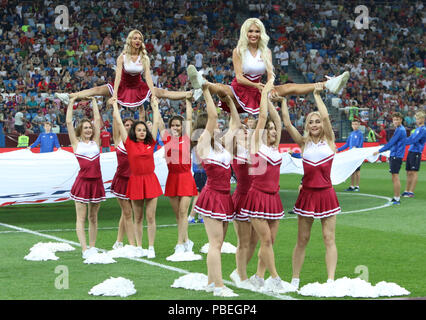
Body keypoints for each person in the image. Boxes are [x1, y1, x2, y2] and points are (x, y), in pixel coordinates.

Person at [187, 18, 349, 115]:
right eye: (250, 31)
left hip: (259, 89)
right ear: (245, 32)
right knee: (223, 89)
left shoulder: (267, 51)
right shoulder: (238, 51)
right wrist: (256, 85)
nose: (253, 34)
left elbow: (271, 75)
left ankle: (328, 84)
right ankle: (201, 83)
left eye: (257, 31)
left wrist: (268, 85)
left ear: (261, 33)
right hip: (241, 88)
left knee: (288, 87)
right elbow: (239, 77)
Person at [281, 83, 341, 289]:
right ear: (306, 125)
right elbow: (287, 124)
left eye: (317, 122)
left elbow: (325, 117)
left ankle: (331, 280)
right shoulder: (304, 143)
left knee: (328, 238)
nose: (315, 124)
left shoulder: (330, 141)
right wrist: (282, 102)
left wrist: (317, 95)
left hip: (326, 194)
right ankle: (294, 280)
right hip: (307, 195)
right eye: (310, 122)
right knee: (302, 239)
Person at [55, 30, 192, 107]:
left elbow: (148, 78)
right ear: (130, 40)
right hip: (122, 86)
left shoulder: (145, 58)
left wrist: (153, 94)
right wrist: (114, 95)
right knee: (96, 90)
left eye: (140, 38)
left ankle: (190, 94)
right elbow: (118, 76)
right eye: (135, 38)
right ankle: (69, 96)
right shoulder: (122, 56)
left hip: (138, 86)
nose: (138, 40)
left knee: (162, 92)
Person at [193, 85, 240, 297]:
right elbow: (213, 115)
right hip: (212, 196)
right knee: (215, 243)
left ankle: (212, 282)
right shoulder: (202, 143)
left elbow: (236, 124)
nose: (217, 125)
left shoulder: (220, 145)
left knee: (218, 244)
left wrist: (230, 104)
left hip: (224, 197)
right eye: (213, 125)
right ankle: (219, 287)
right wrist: (205, 89)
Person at [240, 79, 285, 293]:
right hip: (257, 197)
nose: (272, 131)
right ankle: (275, 278)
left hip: (274, 198)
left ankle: (259, 276)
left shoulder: (275, 148)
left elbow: (278, 122)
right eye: (269, 130)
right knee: (265, 239)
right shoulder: (256, 144)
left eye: (274, 131)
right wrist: (265, 92)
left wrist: (274, 102)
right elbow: (265, 118)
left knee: (271, 241)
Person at [112, 95, 162, 259]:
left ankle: (152, 246)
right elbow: (119, 123)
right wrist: (115, 107)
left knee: (151, 217)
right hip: (135, 181)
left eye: (143, 130)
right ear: (134, 131)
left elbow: (155, 123)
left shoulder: (151, 142)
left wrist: (155, 107)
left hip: (150, 180)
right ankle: (139, 247)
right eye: (138, 130)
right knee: (138, 217)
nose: (141, 132)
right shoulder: (129, 143)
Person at [66, 97, 105, 259]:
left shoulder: (96, 142)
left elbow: (98, 121)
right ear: (80, 130)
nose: (89, 130)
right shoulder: (76, 144)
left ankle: (92, 246)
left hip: (96, 183)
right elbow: (68, 122)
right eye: (86, 128)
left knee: (93, 217)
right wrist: (71, 101)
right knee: (81, 218)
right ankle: (84, 249)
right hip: (82, 184)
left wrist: (94, 101)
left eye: (90, 127)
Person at [159, 97, 198, 256]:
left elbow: (189, 118)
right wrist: (155, 106)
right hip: (172, 178)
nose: (175, 127)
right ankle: (187, 240)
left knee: (183, 213)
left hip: (185, 178)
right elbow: (160, 123)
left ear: (182, 127)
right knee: (178, 216)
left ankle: (180, 244)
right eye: (173, 125)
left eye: (177, 125)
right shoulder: (167, 139)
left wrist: (188, 101)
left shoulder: (186, 139)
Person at [110, 102, 145, 253]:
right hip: (122, 181)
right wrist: (115, 107)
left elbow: (142, 119)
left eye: (131, 124)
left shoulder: (137, 142)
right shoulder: (118, 140)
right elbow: (115, 121)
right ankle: (132, 245)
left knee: (127, 213)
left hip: (134, 180)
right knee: (127, 212)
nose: (128, 126)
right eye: (126, 124)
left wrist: (142, 106)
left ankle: (119, 241)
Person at [229, 114, 258, 290]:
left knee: (255, 241)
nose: (245, 133)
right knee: (243, 242)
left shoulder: (255, 150)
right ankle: (242, 276)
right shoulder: (235, 152)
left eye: (247, 131)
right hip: (242, 199)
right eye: (242, 132)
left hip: (256, 198)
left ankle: (239, 271)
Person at [373, 112, 407, 205]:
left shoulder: (400, 130)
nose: (395, 121)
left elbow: (391, 143)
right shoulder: (399, 129)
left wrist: (379, 151)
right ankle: (396, 197)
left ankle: (397, 198)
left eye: (397, 119)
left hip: (396, 156)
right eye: (394, 119)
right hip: (395, 155)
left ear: (401, 120)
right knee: (394, 176)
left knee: (395, 177)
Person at [401, 111, 425, 198]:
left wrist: (401, 142)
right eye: (416, 118)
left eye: (418, 118)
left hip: (416, 152)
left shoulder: (423, 130)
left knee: (414, 172)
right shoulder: (417, 129)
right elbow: (411, 138)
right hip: (411, 151)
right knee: (408, 172)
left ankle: (411, 192)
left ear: (422, 119)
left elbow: (414, 140)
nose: (417, 120)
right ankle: (406, 190)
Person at [338, 118, 364, 191]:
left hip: (358, 155)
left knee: (357, 171)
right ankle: (352, 186)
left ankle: (357, 186)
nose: (354, 126)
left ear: (359, 125)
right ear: (351, 125)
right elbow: (347, 144)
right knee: (352, 170)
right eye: (353, 124)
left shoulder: (360, 134)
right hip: (351, 155)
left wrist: (356, 148)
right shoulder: (351, 134)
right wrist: (338, 149)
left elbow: (361, 145)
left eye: (356, 124)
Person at [187, 148, 207, 224]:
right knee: (198, 195)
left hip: (201, 172)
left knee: (202, 194)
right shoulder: (199, 145)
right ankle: (191, 216)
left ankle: (200, 216)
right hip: (201, 172)